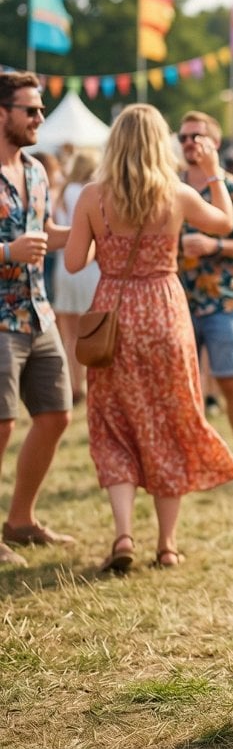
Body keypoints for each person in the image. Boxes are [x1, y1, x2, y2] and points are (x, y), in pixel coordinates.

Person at [64, 105, 233, 570]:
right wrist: (214, 172)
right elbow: (225, 224)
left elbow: (74, 262)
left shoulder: (92, 196)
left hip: (113, 313)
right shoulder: (176, 193)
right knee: (168, 420)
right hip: (164, 311)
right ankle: (166, 544)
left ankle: (124, 535)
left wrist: (91, 237)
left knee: (113, 424)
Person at [0, 72, 74, 568]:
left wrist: (95, 229)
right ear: (2, 113)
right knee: (2, 424)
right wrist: (8, 251)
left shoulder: (37, 172)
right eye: (30, 110)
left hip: (37, 313)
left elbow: (43, 231)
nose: (40, 119)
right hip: (0, 320)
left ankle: (20, 520)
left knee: (56, 415)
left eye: (41, 110)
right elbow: (21, 243)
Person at [176, 112, 233, 482]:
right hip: (177, 298)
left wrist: (215, 245)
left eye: (196, 136)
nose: (189, 143)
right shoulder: (170, 186)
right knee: (181, 384)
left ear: (215, 142)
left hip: (223, 299)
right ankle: (187, 460)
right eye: (183, 138)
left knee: (230, 378)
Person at [52, 148, 102, 403]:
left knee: (69, 334)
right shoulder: (91, 192)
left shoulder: (62, 192)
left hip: (64, 265)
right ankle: (93, 383)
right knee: (93, 330)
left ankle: (75, 383)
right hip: (90, 265)